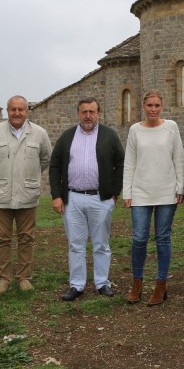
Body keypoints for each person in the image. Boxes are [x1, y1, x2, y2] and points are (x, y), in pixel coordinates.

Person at [49, 97, 125, 301]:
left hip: (100, 198)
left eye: (92, 112)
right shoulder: (67, 137)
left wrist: (114, 193)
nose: (88, 116)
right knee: (76, 244)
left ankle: (102, 283)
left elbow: (121, 163)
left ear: (98, 113)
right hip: (72, 198)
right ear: (78, 114)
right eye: (84, 112)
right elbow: (55, 166)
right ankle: (76, 285)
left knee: (101, 244)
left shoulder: (109, 135)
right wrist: (57, 195)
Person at [0, 95, 51, 294]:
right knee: (2, 239)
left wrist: (29, 176)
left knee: (26, 238)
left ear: (27, 111)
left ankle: (24, 278)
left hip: (27, 196)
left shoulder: (39, 134)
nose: (17, 113)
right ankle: (4, 279)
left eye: (21, 109)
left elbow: (45, 159)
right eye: (13, 109)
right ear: (7, 111)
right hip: (1, 196)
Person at [122, 90, 184, 306]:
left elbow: (179, 158)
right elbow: (130, 161)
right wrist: (127, 191)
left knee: (162, 238)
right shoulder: (135, 130)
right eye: (149, 105)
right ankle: (137, 283)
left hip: (166, 191)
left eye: (157, 105)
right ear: (143, 107)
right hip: (141, 192)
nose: (153, 109)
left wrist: (180, 187)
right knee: (139, 238)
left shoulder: (171, 127)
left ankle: (161, 285)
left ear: (162, 106)